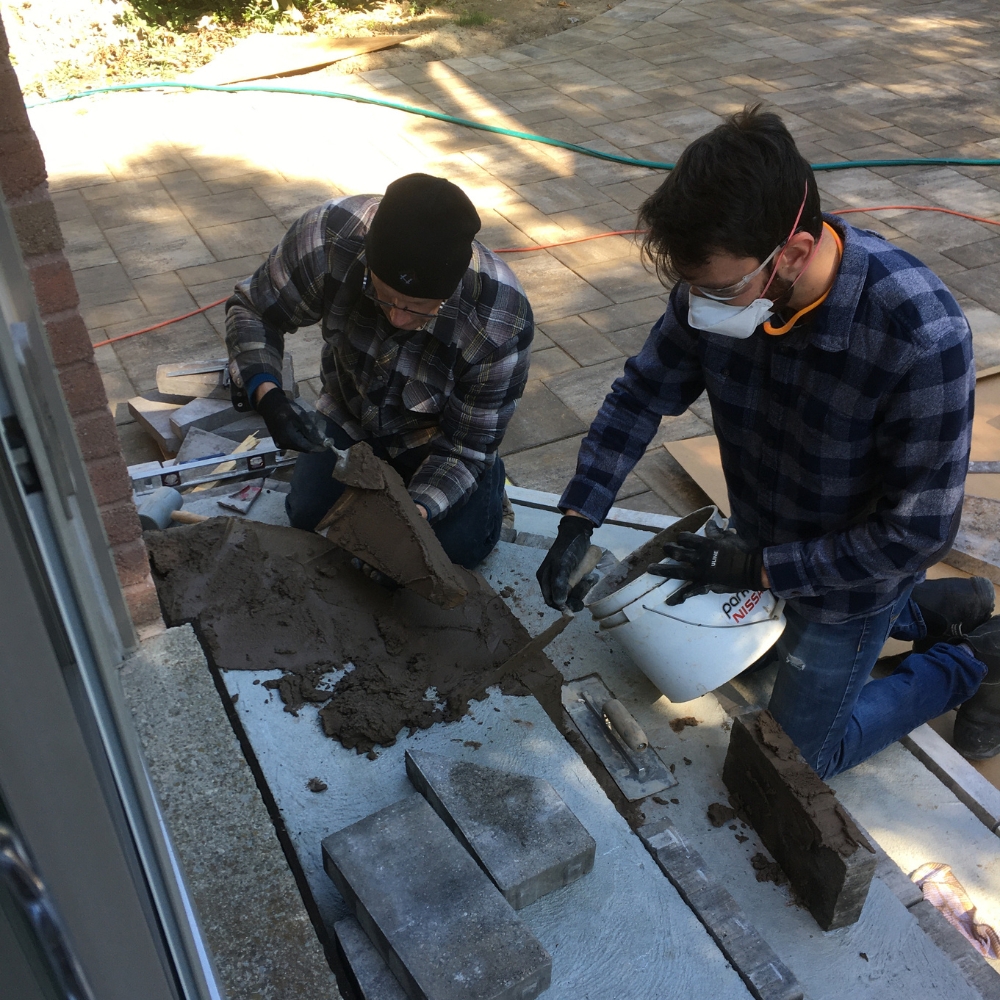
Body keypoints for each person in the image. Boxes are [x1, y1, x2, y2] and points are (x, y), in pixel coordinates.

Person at [537, 104, 1000, 774]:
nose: (701, 306)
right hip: (758, 534)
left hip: (852, 580)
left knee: (792, 764)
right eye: (692, 288)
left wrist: (759, 571)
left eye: (721, 289)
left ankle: (973, 659)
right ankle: (939, 608)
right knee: (728, 669)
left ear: (795, 253)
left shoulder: (918, 336)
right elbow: (641, 395)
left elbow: (917, 534)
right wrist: (580, 515)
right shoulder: (717, 291)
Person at [225, 173, 533, 570]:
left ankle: (487, 489)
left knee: (452, 552)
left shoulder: (500, 321)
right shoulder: (329, 237)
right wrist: (268, 396)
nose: (397, 318)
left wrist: (413, 515)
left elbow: (466, 448)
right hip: (350, 416)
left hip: (439, 443)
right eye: (384, 297)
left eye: (418, 308)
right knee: (308, 516)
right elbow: (254, 310)